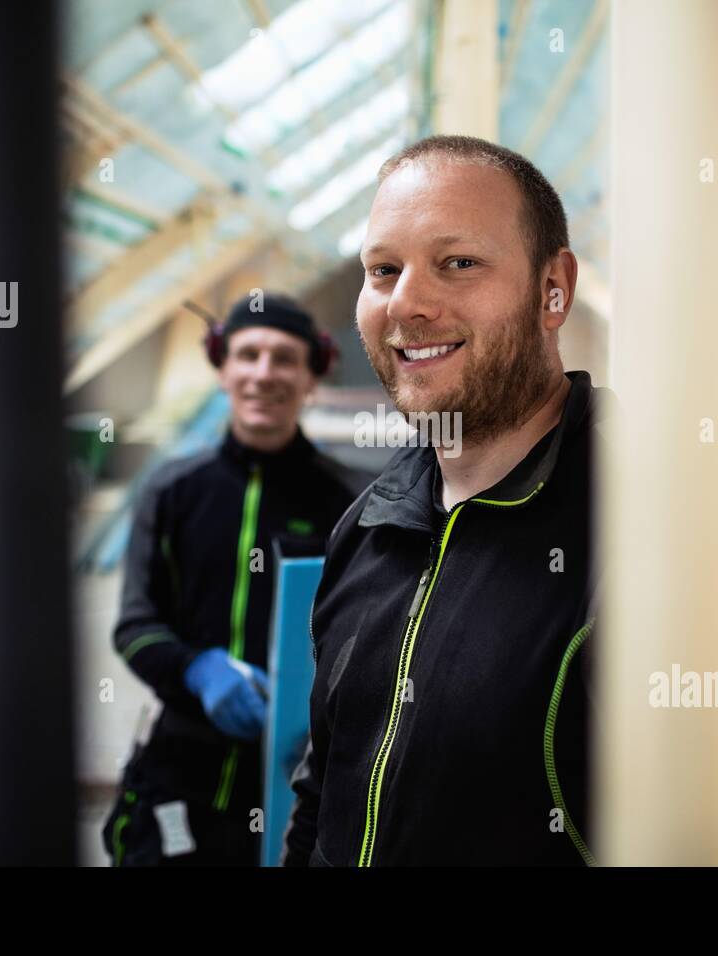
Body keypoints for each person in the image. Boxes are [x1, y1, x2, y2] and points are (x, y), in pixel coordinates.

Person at [281, 135, 616, 866]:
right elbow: (323, 791)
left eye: (457, 263)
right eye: (383, 270)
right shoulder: (369, 524)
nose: (407, 303)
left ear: (553, 288)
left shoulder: (642, 521)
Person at [102, 291, 369, 866]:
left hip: (301, 781)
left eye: (284, 358)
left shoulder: (352, 502)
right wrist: (197, 670)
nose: (263, 374)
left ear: (311, 377)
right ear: (222, 370)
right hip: (181, 772)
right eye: (247, 355)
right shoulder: (173, 491)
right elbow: (135, 624)